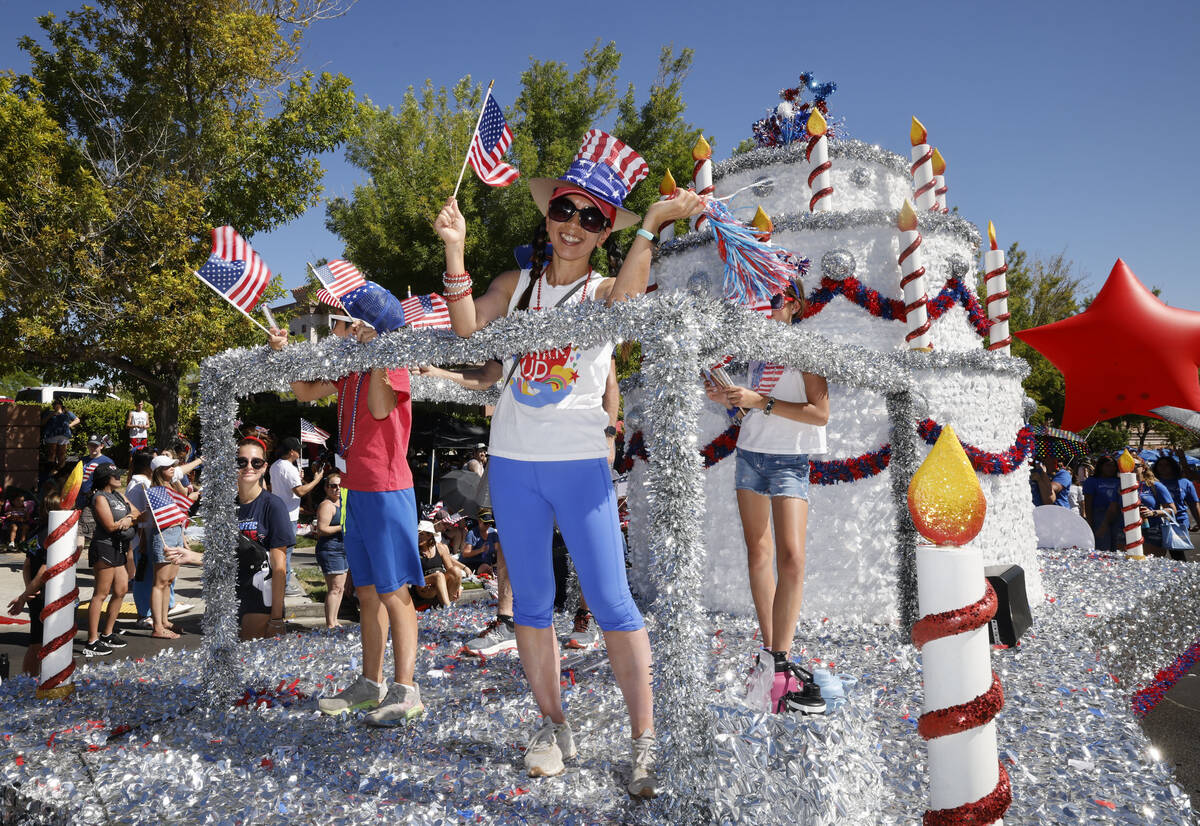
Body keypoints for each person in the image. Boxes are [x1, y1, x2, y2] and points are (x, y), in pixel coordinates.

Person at [434, 129, 703, 794]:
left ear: (607, 230)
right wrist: (454, 250)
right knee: (531, 605)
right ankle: (553, 724)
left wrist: (653, 231)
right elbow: (470, 335)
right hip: (514, 464)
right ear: (547, 214)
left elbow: (632, 310)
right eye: (565, 210)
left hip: (580, 464)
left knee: (612, 603)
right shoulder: (517, 284)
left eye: (592, 217)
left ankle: (644, 743)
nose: (574, 225)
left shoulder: (608, 288)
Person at [268, 314, 425, 727]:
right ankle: (370, 684)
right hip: (359, 490)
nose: (340, 330)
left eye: (346, 322)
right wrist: (283, 352)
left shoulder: (392, 360)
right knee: (369, 593)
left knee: (395, 593)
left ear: (371, 325)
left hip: (388, 490)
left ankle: (407, 691)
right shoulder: (348, 368)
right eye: (338, 324)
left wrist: (376, 352)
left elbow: (378, 407)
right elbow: (303, 391)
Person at [705, 276, 829, 716]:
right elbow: (751, 409)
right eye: (762, 300)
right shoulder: (756, 350)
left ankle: (781, 654)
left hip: (790, 461)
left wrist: (759, 401)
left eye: (775, 300)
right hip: (750, 456)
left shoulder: (809, 347)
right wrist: (729, 399)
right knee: (758, 553)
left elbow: (820, 413)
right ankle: (772, 657)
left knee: (792, 557)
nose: (767, 308)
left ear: (794, 305)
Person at [227, 437, 293, 639]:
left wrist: (276, 618)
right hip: (229, 594)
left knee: (248, 659)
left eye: (256, 462)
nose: (249, 467)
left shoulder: (273, 505)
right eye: (241, 461)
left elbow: (279, 567)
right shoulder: (226, 506)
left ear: (264, 467)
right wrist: (191, 557)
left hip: (261, 592)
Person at [6, 484, 60, 675]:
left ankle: (28, 682)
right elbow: (44, 570)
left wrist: (29, 591)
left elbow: (27, 565)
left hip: (36, 593)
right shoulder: (53, 535)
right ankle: (47, 681)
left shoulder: (36, 531)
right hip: (49, 593)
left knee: (36, 642)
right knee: (50, 643)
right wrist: (24, 596)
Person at [84, 463, 138, 656]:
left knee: (121, 589)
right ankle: (92, 640)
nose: (119, 478)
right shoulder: (100, 497)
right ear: (107, 478)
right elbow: (109, 526)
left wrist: (129, 518)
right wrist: (124, 522)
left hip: (120, 548)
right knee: (101, 593)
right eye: (115, 475)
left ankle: (107, 633)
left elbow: (137, 512)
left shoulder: (118, 495)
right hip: (104, 546)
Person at [268, 437, 324, 597]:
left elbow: (280, 488)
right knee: (287, 551)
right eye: (298, 449)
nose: (300, 451)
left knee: (279, 550)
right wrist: (316, 480)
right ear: (292, 451)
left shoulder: (275, 465)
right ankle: (284, 585)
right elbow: (299, 491)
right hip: (288, 515)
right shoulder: (289, 468)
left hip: (279, 511)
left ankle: (278, 581)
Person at [145, 457, 187, 640]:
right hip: (165, 534)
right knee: (160, 582)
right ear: (158, 470)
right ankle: (158, 626)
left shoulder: (171, 487)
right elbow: (158, 516)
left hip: (176, 532)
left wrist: (183, 537)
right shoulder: (154, 491)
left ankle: (164, 620)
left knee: (169, 581)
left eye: (173, 466)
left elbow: (182, 504)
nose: (172, 469)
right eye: (168, 467)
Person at [314, 470, 350, 628]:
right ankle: (330, 623)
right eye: (333, 486)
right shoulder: (326, 505)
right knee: (334, 588)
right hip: (330, 549)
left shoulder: (342, 502)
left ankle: (334, 620)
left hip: (343, 549)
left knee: (340, 588)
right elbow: (322, 529)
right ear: (327, 488)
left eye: (339, 486)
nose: (336, 489)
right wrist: (341, 527)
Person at [411, 520, 471, 607]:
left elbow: (450, 569)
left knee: (456, 570)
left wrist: (459, 586)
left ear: (429, 535)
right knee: (438, 576)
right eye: (417, 534)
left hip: (440, 581)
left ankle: (448, 603)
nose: (418, 537)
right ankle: (448, 609)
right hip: (422, 585)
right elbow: (413, 576)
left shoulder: (440, 548)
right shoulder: (414, 551)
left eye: (421, 534)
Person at [1135, 460, 1175, 557]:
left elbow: (1172, 510)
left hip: (1151, 529)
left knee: (1151, 564)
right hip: (1125, 530)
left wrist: (1153, 513)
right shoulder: (1121, 486)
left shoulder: (1154, 485)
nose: (1130, 468)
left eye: (1135, 465)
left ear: (1143, 468)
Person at [1082, 456, 1123, 551]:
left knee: (1117, 545)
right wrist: (1090, 522)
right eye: (1108, 466)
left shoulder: (1120, 480)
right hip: (1099, 515)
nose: (1111, 468)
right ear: (1100, 467)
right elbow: (1088, 503)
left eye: (1113, 466)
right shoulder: (1092, 481)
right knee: (1102, 545)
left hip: (1118, 514)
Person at [1152, 456, 1200, 532]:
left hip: (1180, 523)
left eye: (1167, 465)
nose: (1163, 467)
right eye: (1160, 465)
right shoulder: (1151, 483)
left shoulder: (1185, 483)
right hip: (1157, 523)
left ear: (1173, 466)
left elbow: (1194, 505)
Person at [42, 400, 80, 467]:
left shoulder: (67, 413)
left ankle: (60, 470)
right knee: (51, 453)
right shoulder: (49, 412)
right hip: (51, 435)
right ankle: (50, 469)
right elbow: (42, 423)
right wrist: (50, 415)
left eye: (56, 404)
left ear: (60, 405)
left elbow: (77, 420)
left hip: (64, 435)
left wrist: (69, 425)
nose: (55, 406)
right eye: (53, 404)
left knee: (62, 454)